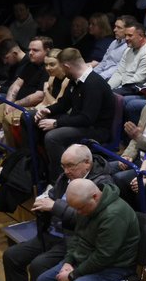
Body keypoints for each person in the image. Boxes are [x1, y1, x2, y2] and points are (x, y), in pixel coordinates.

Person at [0, 144, 112, 281]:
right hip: (50, 234)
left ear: (86, 164)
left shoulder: (101, 183)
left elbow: (88, 218)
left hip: (73, 242)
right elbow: (54, 196)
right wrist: (44, 202)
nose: (66, 171)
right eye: (63, 166)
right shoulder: (66, 177)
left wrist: (55, 206)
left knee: (39, 266)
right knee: (12, 255)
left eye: (70, 166)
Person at [33, 48, 116, 182]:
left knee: (53, 137)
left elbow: (87, 118)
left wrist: (56, 123)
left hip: (95, 129)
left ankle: (58, 182)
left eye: (62, 68)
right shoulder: (75, 80)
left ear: (67, 66)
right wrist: (47, 111)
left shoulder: (94, 84)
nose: (63, 72)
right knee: (32, 118)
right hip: (79, 123)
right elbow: (63, 104)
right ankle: (37, 168)